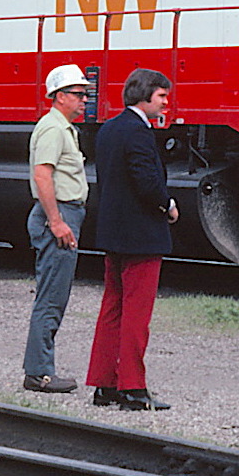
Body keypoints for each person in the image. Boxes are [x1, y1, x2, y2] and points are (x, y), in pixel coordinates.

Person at [86, 67, 178, 411]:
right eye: (162, 96)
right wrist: (167, 205)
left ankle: (104, 384)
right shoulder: (139, 133)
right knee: (137, 314)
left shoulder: (109, 129)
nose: (166, 102)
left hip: (113, 233)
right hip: (141, 236)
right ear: (145, 96)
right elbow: (146, 181)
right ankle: (133, 388)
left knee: (112, 308)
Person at [22, 63, 91, 393]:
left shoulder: (62, 128)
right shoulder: (53, 128)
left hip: (63, 214)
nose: (84, 100)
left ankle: (39, 368)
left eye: (85, 94)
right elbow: (42, 175)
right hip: (59, 215)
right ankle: (39, 373)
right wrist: (57, 221)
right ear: (60, 96)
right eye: (78, 94)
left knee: (54, 295)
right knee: (51, 297)